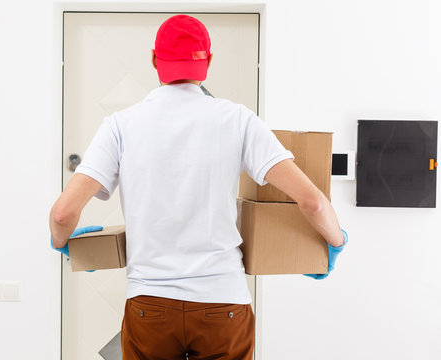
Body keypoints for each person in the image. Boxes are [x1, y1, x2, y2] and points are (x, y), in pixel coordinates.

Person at [49, 14, 347, 360]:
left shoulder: (120, 126)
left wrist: (63, 244)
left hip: (150, 304)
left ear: (154, 59)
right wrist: (334, 245)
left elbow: (63, 214)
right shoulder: (238, 120)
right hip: (223, 303)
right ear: (207, 60)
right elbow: (313, 202)